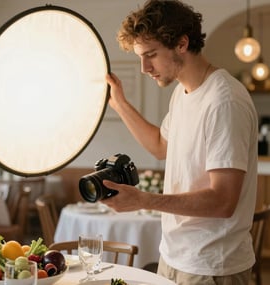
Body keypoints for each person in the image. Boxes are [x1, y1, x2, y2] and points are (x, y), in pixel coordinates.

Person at [100, 1, 258, 284]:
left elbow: (223, 201)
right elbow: (161, 145)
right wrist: (120, 104)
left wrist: (144, 200)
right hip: (174, 256)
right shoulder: (183, 93)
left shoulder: (224, 100)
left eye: (151, 55)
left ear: (182, 44)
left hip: (211, 265)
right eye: (140, 57)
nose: (144, 68)